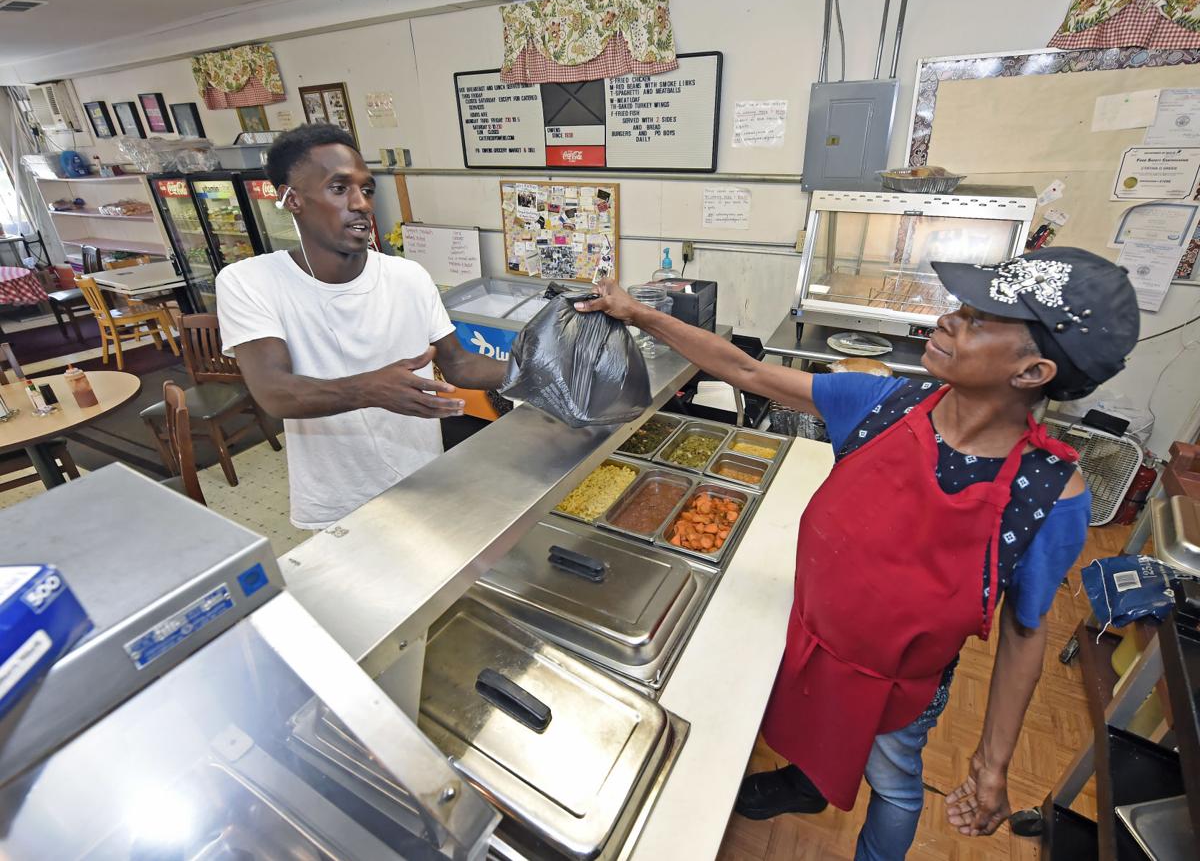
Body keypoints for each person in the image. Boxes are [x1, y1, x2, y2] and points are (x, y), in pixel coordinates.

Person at [577, 248, 1139, 860]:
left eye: (977, 319)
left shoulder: (1051, 493)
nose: (948, 318)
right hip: (811, 636)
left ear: (1032, 373)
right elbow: (747, 371)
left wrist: (990, 762)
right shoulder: (883, 405)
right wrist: (636, 313)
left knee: (894, 785)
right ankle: (807, 783)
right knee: (806, 725)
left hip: (899, 685)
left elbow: (1026, 630)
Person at [216, 124, 506, 529]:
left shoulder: (408, 276)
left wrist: (542, 366)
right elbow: (275, 392)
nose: (361, 204)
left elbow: (459, 365)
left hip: (423, 477)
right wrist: (369, 388)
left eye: (367, 190)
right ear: (292, 199)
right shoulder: (249, 282)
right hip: (338, 500)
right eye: (339, 189)